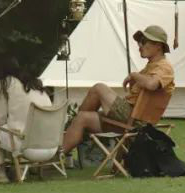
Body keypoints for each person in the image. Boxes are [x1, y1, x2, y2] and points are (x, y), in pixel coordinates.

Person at [60, 24, 175, 155]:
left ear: (158, 45)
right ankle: (59, 157)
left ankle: (71, 134)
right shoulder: (152, 66)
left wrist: (134, 75)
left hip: (136, 121)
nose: (139, 46)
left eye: (143, 42)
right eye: (139, 42)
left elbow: (152, 85)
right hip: (129, 118)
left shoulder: (164, 67)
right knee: (82, 118)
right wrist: (137, 80)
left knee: (99, 88)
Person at [0, 57, 53, 183]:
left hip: (26, 147)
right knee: (12, 128)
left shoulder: (3, 84)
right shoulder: (35, 84)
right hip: (50, 146)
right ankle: (18, 170)